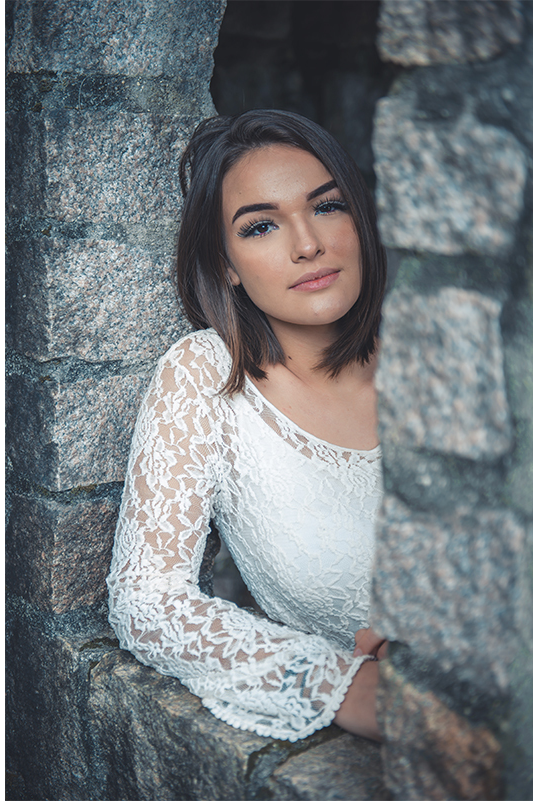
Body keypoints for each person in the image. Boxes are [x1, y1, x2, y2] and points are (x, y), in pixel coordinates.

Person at [106, 109, 388, 742]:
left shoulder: (440, 348)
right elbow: (147, 598)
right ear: (227, 263)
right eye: (261, 226)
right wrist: (337, 682)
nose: (307, 244)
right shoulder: (206, 374)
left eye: (328, 206)